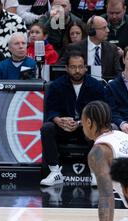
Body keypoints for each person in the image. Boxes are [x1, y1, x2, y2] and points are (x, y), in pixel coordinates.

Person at [40, 51, 105, 186]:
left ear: (85, 68)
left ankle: (95, 172)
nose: (77, 71)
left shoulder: (96, 86)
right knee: (47, 128)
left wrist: (82, 122)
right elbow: (50, 110)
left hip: (86, 128)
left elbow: (100, 111)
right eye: (73, 67)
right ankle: (55, 171)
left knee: (96, 129)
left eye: (80, 67)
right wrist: (58, 120)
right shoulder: (56, 85)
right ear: (67, 68)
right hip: (63, 127)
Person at [60, 15, 122, 81]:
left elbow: (118, 74)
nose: (108, 30)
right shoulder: (73, 48)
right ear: (92, 31)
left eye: (107, 27)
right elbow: (61, 70)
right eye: (104, 28)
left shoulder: (112, 49)